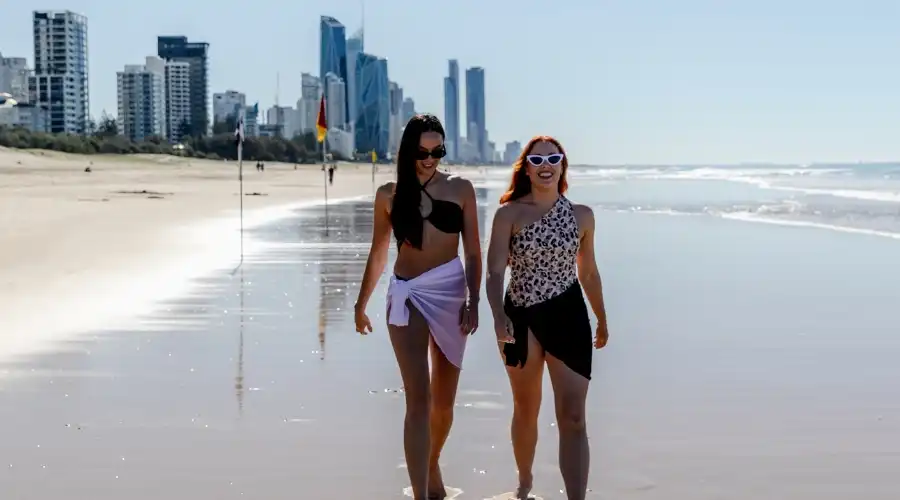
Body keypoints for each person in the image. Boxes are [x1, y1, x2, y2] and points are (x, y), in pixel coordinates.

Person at [353, 113, 482, 500]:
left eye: (437, 150)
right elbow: (378, 252)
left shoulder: (462, 189)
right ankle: (421, 493)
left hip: (451, 293)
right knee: (419, 399)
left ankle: (429, 462)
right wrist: (361, 303)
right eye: (422, 151)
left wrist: (474, 300)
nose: (430, 158)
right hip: (407, 294)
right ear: (408, 150)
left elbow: (474, 252)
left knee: (443, 405)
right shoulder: (389, 195)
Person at [485, 136, 609, 500]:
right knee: (526, 408)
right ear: (525, 166)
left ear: (562, 166)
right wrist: (496, 316)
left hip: (568, 315)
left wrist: (601, 318)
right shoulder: (508, 213)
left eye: (553, 158)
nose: (545, 164)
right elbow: (494, 272)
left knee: (573, 417)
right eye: (537, 158)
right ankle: (524, 482)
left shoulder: (581, 215)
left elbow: (588, 273)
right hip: (519, 317)